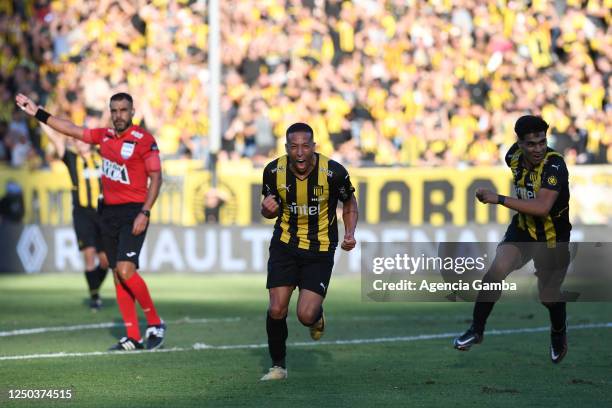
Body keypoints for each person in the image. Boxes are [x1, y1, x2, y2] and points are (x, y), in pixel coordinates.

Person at [16, 92, 166, 351]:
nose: (118, 115)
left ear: (132, 112)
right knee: (118, 275)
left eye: (123, 110)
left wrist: (145, 211)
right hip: (106, 213)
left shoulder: (144, 140)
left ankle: (155, 322)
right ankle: (132, 336)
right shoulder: (103, 136)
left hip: (133, 212)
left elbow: (157, 178)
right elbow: (71, 130)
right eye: (114, 110)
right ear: (110, 112)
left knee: (126, 269)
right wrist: (37, 112)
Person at [453, 115, 571, 364]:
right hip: (523, 230)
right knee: (496, 270)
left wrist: (499, 198)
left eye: (542, 142)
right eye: (531, 144)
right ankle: (476, 329)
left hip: (552, 237)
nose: (538, 148)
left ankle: (558, 332)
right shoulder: (512, 157)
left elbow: (542, 208)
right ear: (519, 144)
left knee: (548, 297)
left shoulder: (555, 166)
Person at [259, 122, 358, 380]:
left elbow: (349, 201)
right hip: (285, 245)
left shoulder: (334, 172)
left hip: (320, 249)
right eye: (294, 147)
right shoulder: (273, 172)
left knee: (305, 315)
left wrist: (349, 232)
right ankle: (278, 366)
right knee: (277, 309)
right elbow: (268, 207)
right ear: (286, 148)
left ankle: (316, 316)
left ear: (314, 147)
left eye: (305, 146)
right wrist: (266, 210)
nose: (300, 152)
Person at [41, 122, 110, 311]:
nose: (79, 143)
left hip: (103, 212)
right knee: (89, 255)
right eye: (76, 141)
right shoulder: (72, 159)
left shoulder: (102, 157)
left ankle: (94, 286)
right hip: (83, 213)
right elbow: (56, 140)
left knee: (105, 260)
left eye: (82, 140)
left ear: (88, 142)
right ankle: (95, 296)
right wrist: (41, 120)